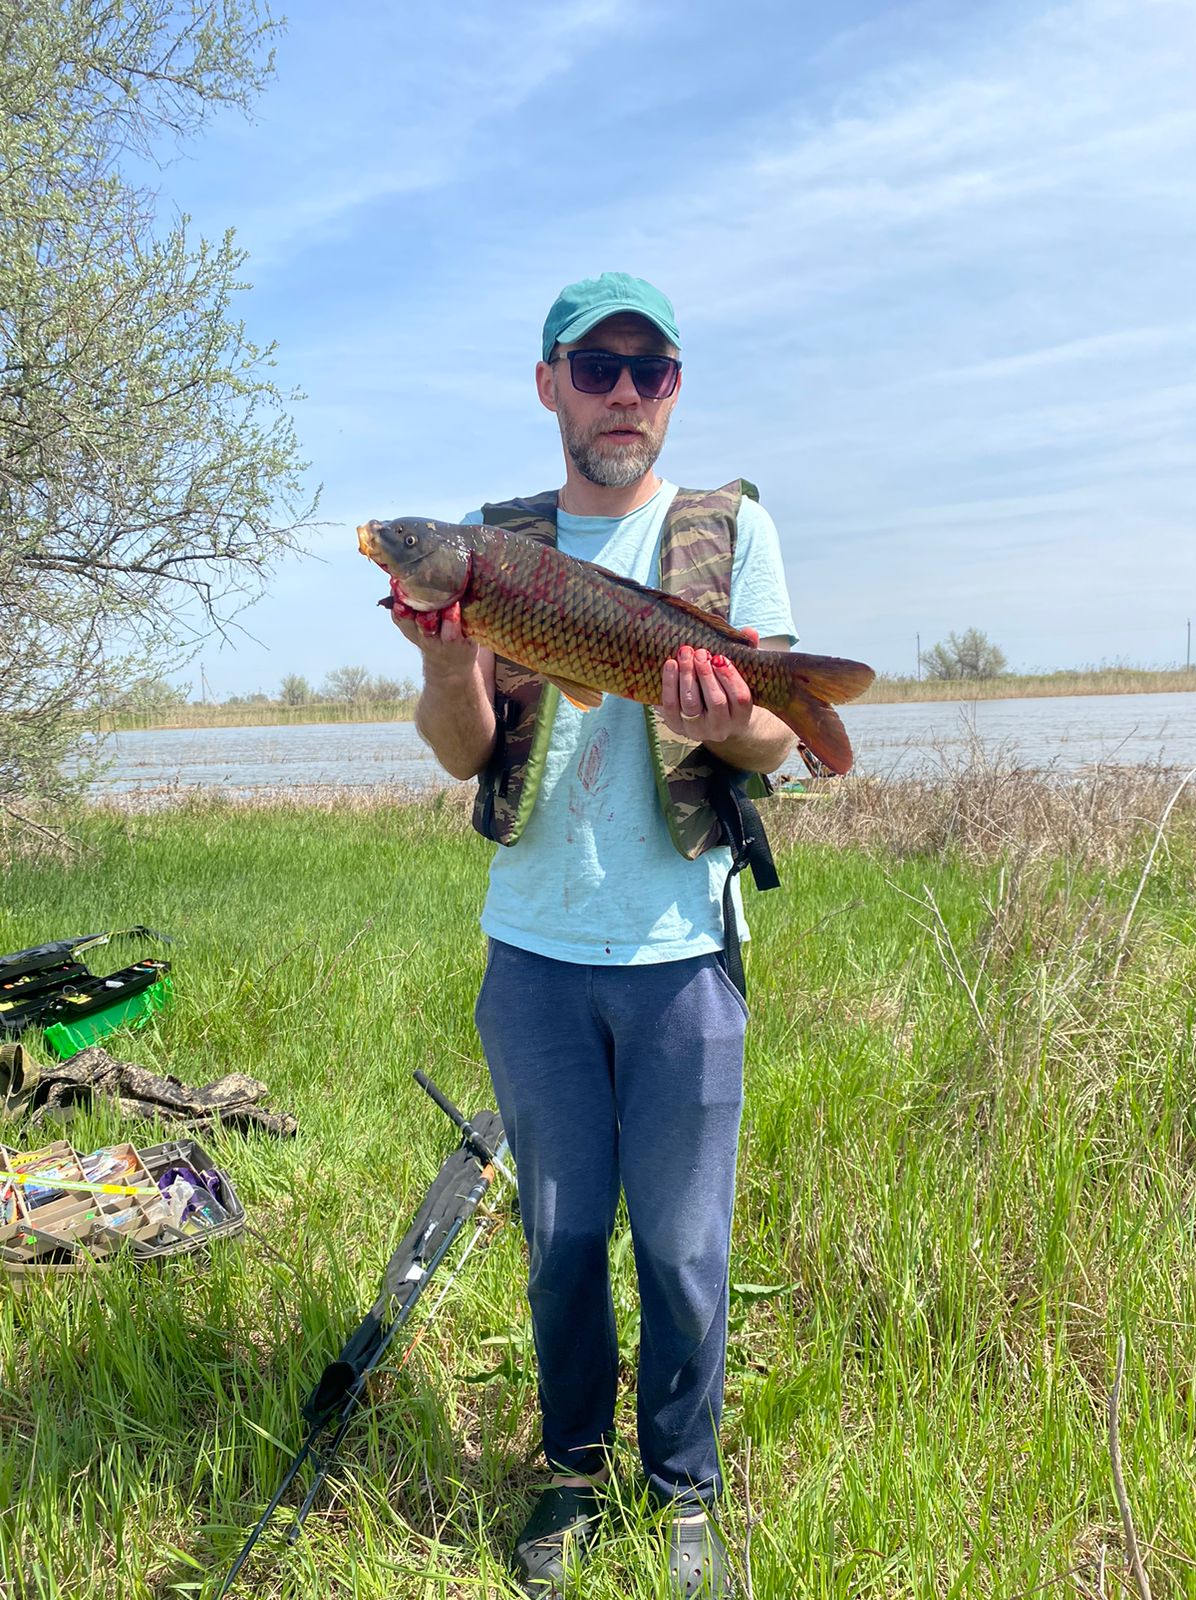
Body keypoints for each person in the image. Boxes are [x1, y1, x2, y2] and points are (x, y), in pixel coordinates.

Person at [389, 272, 798, 1598]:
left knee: (683, 1248)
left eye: (652, 372)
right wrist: (450, 654)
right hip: (537, 953)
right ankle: (570, 1473)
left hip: (682, 950)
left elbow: (774, 742)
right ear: (550, 382)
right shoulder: (494, 550)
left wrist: (719, 707)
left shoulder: (727, 534)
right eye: (599, 368)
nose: (625, 394)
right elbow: (463, 752)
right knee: (563, 1238)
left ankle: (686, 1496)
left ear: (671, 393)